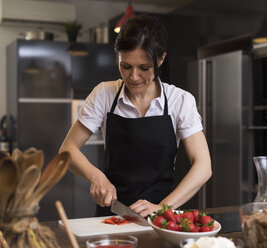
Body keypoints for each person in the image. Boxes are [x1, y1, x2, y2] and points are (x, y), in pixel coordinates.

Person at [59, 14, 212, 217]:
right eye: (126, 66)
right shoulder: (104, 94)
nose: (133, 77)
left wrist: (163, 207)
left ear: (161, 59)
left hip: (160, 217)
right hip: (110, 214)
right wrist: (96, 176)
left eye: (144, 68)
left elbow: (203, 167)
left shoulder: (180, 101)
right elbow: (67, 150)